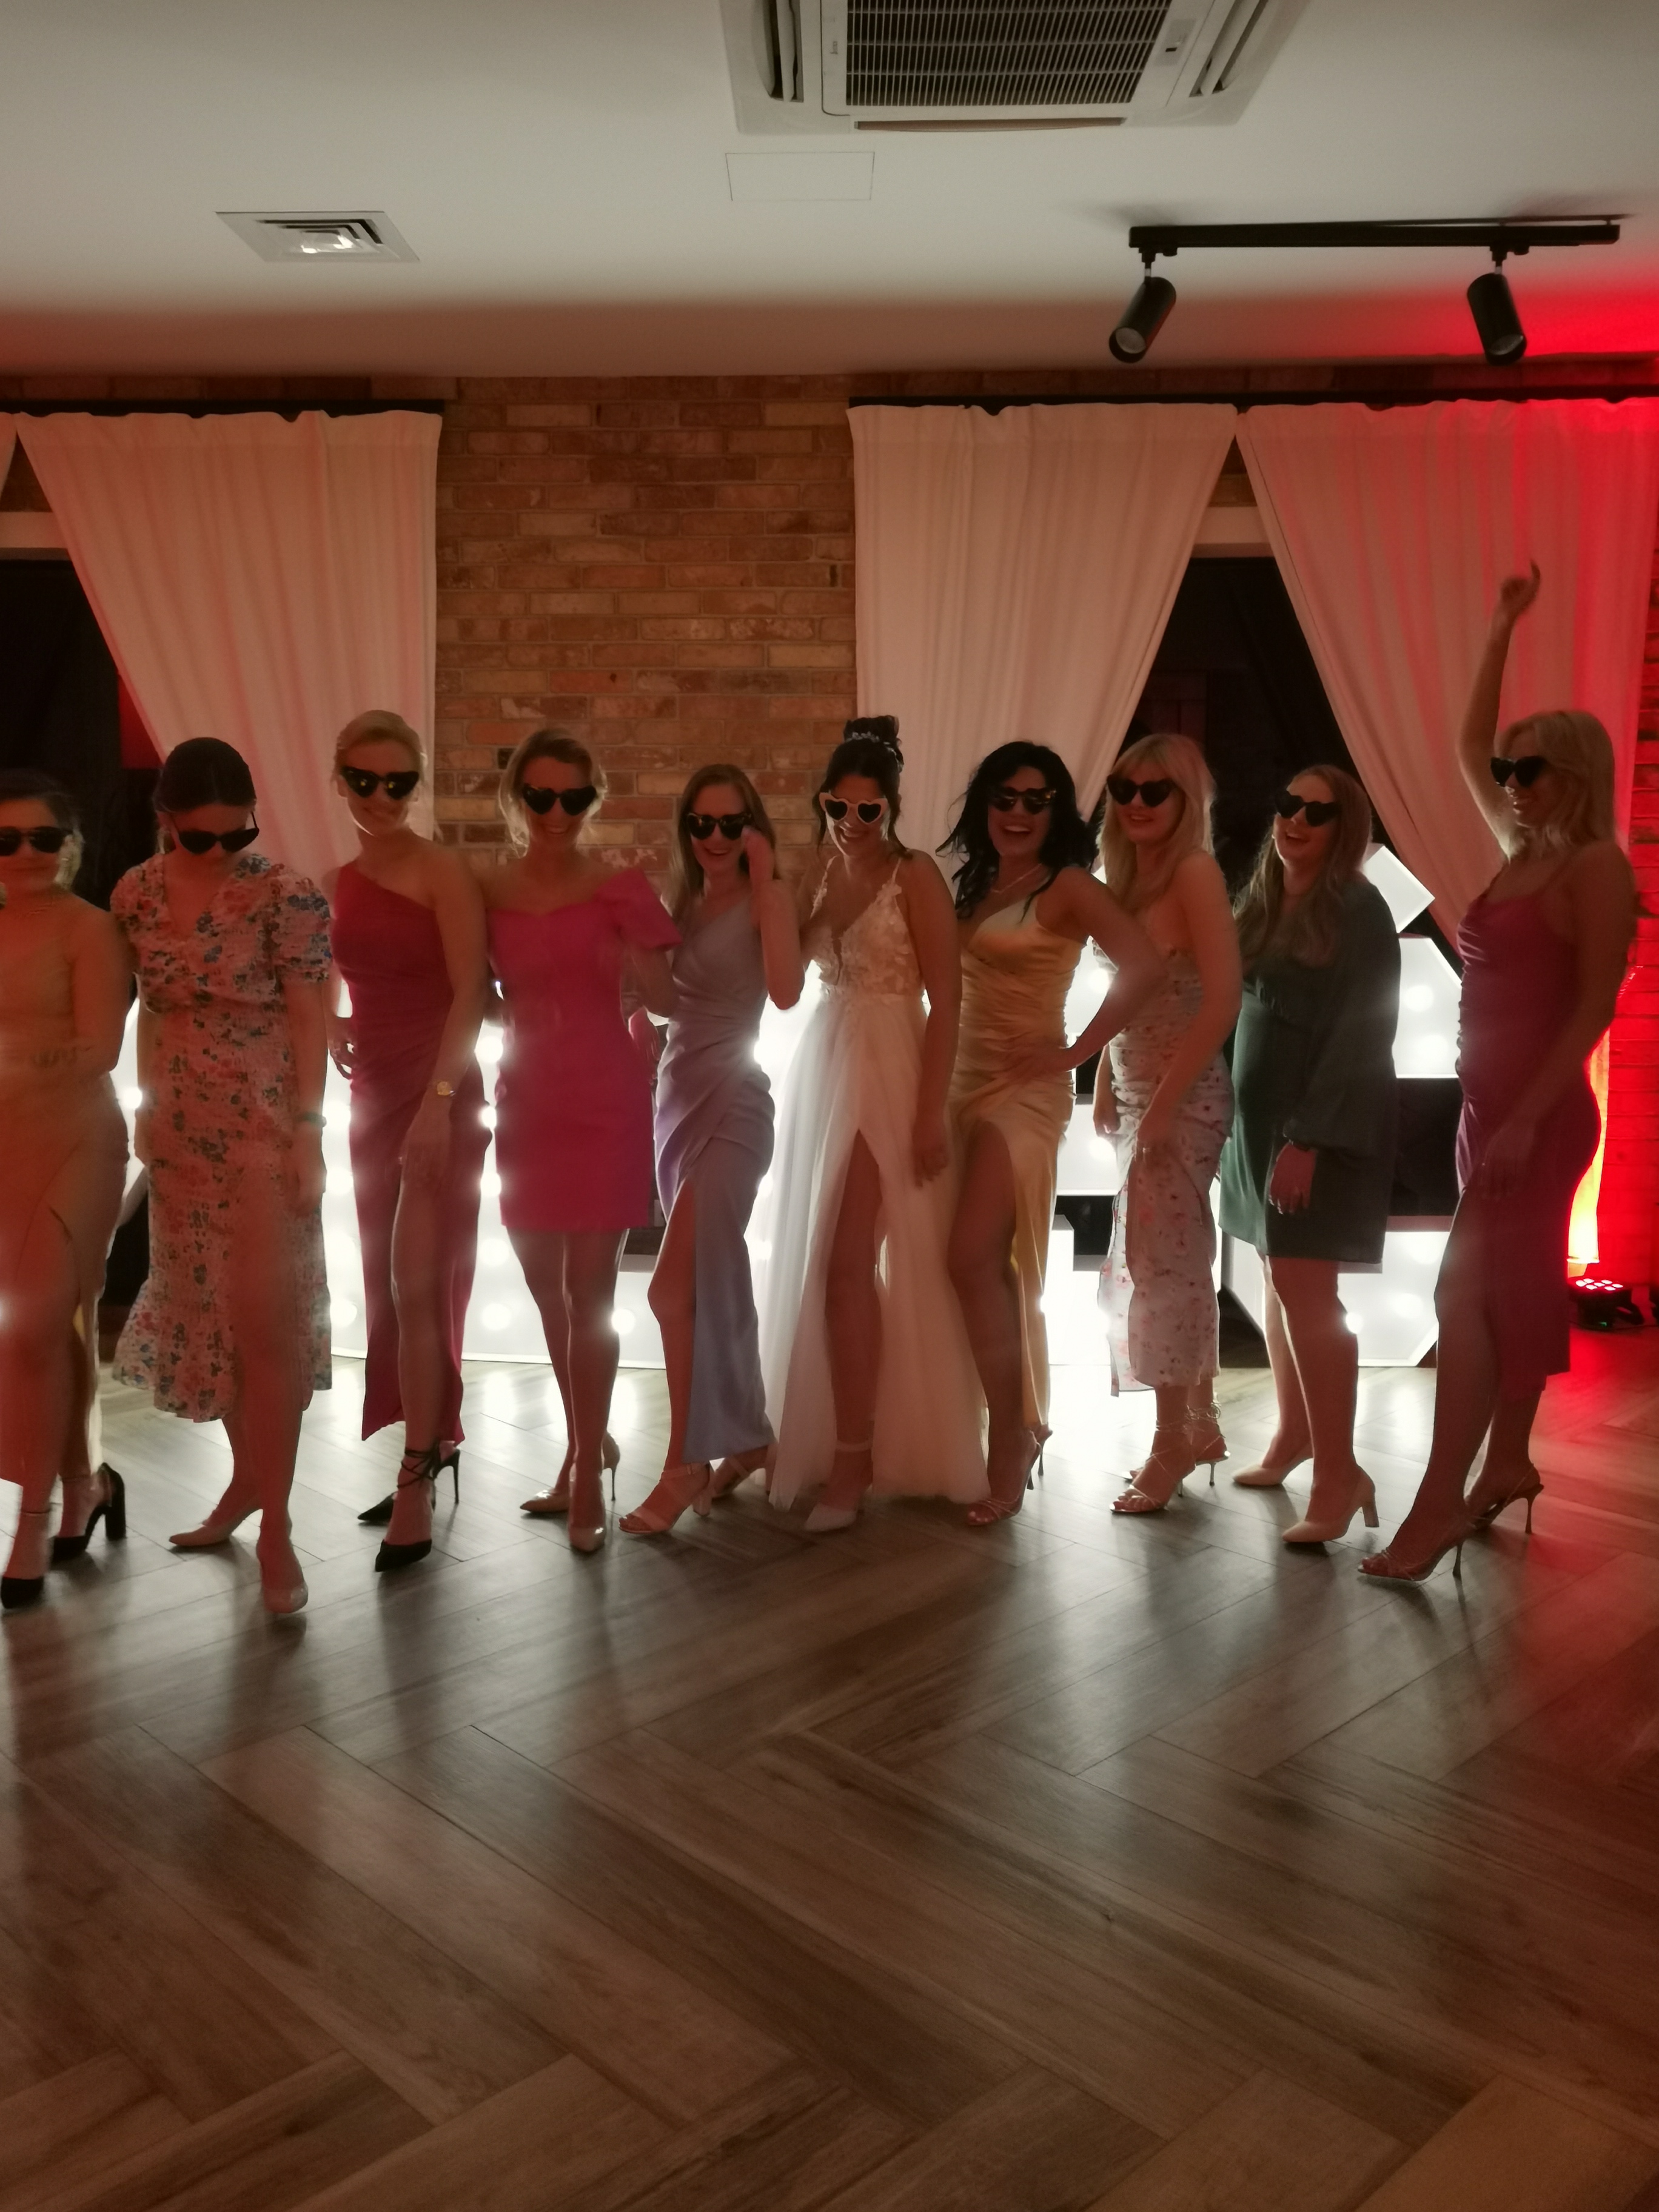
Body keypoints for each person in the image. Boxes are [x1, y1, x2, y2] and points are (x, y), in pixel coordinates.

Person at [1365, 567, 1637, 1584]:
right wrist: (1498, 627)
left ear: (1575, 775)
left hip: (1540, 1114)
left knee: (1462, 1290)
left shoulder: (1595, 868)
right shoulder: (1519, 850)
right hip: (1489, 1111)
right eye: (1510, 769)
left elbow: (1595, 1002)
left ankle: (1439, 1502)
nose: (1512, 782)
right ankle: (1509, 1460)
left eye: (1532, 770)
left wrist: (1526, 1119)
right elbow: (1463, 746)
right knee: (1504, 1293)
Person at [113, 739, 332, 1617]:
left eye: (235, 835)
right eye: (196, 838)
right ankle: (247, 1483)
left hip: (265, 1130)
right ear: (164, 820)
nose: (217, 851)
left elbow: (311, 1017)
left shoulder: (287, 894)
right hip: (180, 1135)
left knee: (268, 1326)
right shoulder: (136, 893)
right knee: (217, 1325)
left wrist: (310, 1134)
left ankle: (277, 1524)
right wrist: (144, 1104)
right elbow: (153, 1010)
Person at [759, 717, 985, 1527]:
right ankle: (847, 1438)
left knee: (846, 1262)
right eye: (838, 807)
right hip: (828, 1061)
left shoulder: (914, 874)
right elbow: (785, 988)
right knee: (833, 1265)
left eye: (868, 810)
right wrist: (772, 887)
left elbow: (947, 1000)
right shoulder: (817, 873)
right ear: (821, 803)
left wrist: (929, 1113)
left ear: (891, 809)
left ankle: (854, 1458)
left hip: (894, 1065)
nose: (851, 823)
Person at [940, 743, 1162, 1525]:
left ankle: (1014, 1432)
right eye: (1005, 797)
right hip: (956, 1083)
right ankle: (1009, 1420)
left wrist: (1074, 1054)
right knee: (985, 1267)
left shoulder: (1068, 886)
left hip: (1025, 1093)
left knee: (971, 1257)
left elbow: (1144, 966)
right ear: (986, 805)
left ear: (1058, 812)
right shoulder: (974, 882)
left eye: (1037, 801)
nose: (1018, 813)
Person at [484, 729, 679, 1553]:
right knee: (544, 1290)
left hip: (604, 1099)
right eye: (540, 796)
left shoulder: (617, 887)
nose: (556, 812)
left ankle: (586, 1475)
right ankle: (585, 1442)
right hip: (527, 1100)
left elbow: (667, 998)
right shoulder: (488, 890)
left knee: (589, 1295)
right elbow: (470, 991)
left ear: (592, 801)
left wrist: (643, 950)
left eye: (573, 797)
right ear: (517, 799)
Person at [326, 709, 491, 1572]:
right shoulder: (336, 881)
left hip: (441, 1094)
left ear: (417, 784)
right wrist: (331, 1021)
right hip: (373, 1099)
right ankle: (435, 1439)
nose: (382, 796)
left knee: (417, 1282)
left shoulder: (442, 871)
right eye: (365, 780)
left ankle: (418, 1473)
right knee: (390, 1293)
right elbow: (331, 971)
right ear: (340, 780)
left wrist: (437, 1103)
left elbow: (471, 994)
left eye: (399, 782)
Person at [620, 766, 803, 1535]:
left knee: (671, 1291)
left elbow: (786, 991)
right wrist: (638, 1004)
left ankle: (686, 1463)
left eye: (733, 824)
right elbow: (661, 1001)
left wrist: (767, 880)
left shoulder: (769, 899)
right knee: (702, 1284)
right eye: (703, 823)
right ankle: (748, 1438)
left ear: (753, 828)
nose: (716, 837)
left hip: (735, 1103)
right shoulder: (683, 902)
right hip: (677, 1097)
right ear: (686, 828)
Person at [1219, 767, 1399, 1544]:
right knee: (1275, 1275)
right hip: (1256, 1128)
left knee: (1308, 1291)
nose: (1295, 819)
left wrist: (1308, 1138)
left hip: (1316, 1130)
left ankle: (1340, 1473)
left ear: (1344, 826)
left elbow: (1363, 1034)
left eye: (1316, 812)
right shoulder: (1265, 896)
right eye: (1287, 804)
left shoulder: (1358, 909)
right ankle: (1295, 1435)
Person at [1096, 732, 1242, 1513]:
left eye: (1156, 791)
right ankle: (1200, 1422)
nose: (1138, 803)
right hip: (1141, 1095)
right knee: (1173, 1263)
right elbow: (1127, 991)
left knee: (1162, 1273)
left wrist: (1158, 1107)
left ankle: (1171, 1443)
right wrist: (1104, 1078)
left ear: (1188, 800)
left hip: (1180, 1099)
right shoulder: (1127, 878)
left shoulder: (1193, 871)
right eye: (1125, 789)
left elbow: (1222, 999)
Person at [0, 774, 129, 1610]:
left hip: (79, 1142)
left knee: (37, 1323)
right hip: (3, 1146)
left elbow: (101, 1049)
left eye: (43, 838)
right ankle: (87, 1481)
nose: (25, 854)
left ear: (70, 846)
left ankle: (32, 1518)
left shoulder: (90, 929)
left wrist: (19, 1064)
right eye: (6, 840)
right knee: (44, 1333)